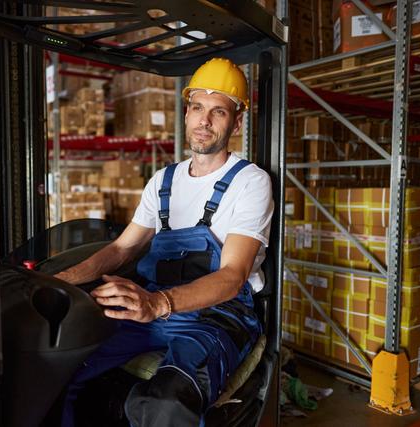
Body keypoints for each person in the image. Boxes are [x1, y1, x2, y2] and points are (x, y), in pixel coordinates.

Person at [55, 57, 274, 426]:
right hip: (153, 307)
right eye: (198, 108)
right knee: (62, 371)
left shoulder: (250, 182)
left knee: (168, 402)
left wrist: (157, 303)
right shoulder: (163, 181)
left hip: (217, 316)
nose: (204, 121)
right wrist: (59, 280)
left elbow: (232, 276)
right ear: (186, 113)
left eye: (219, 112)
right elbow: (122, 249)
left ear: (236, 123)